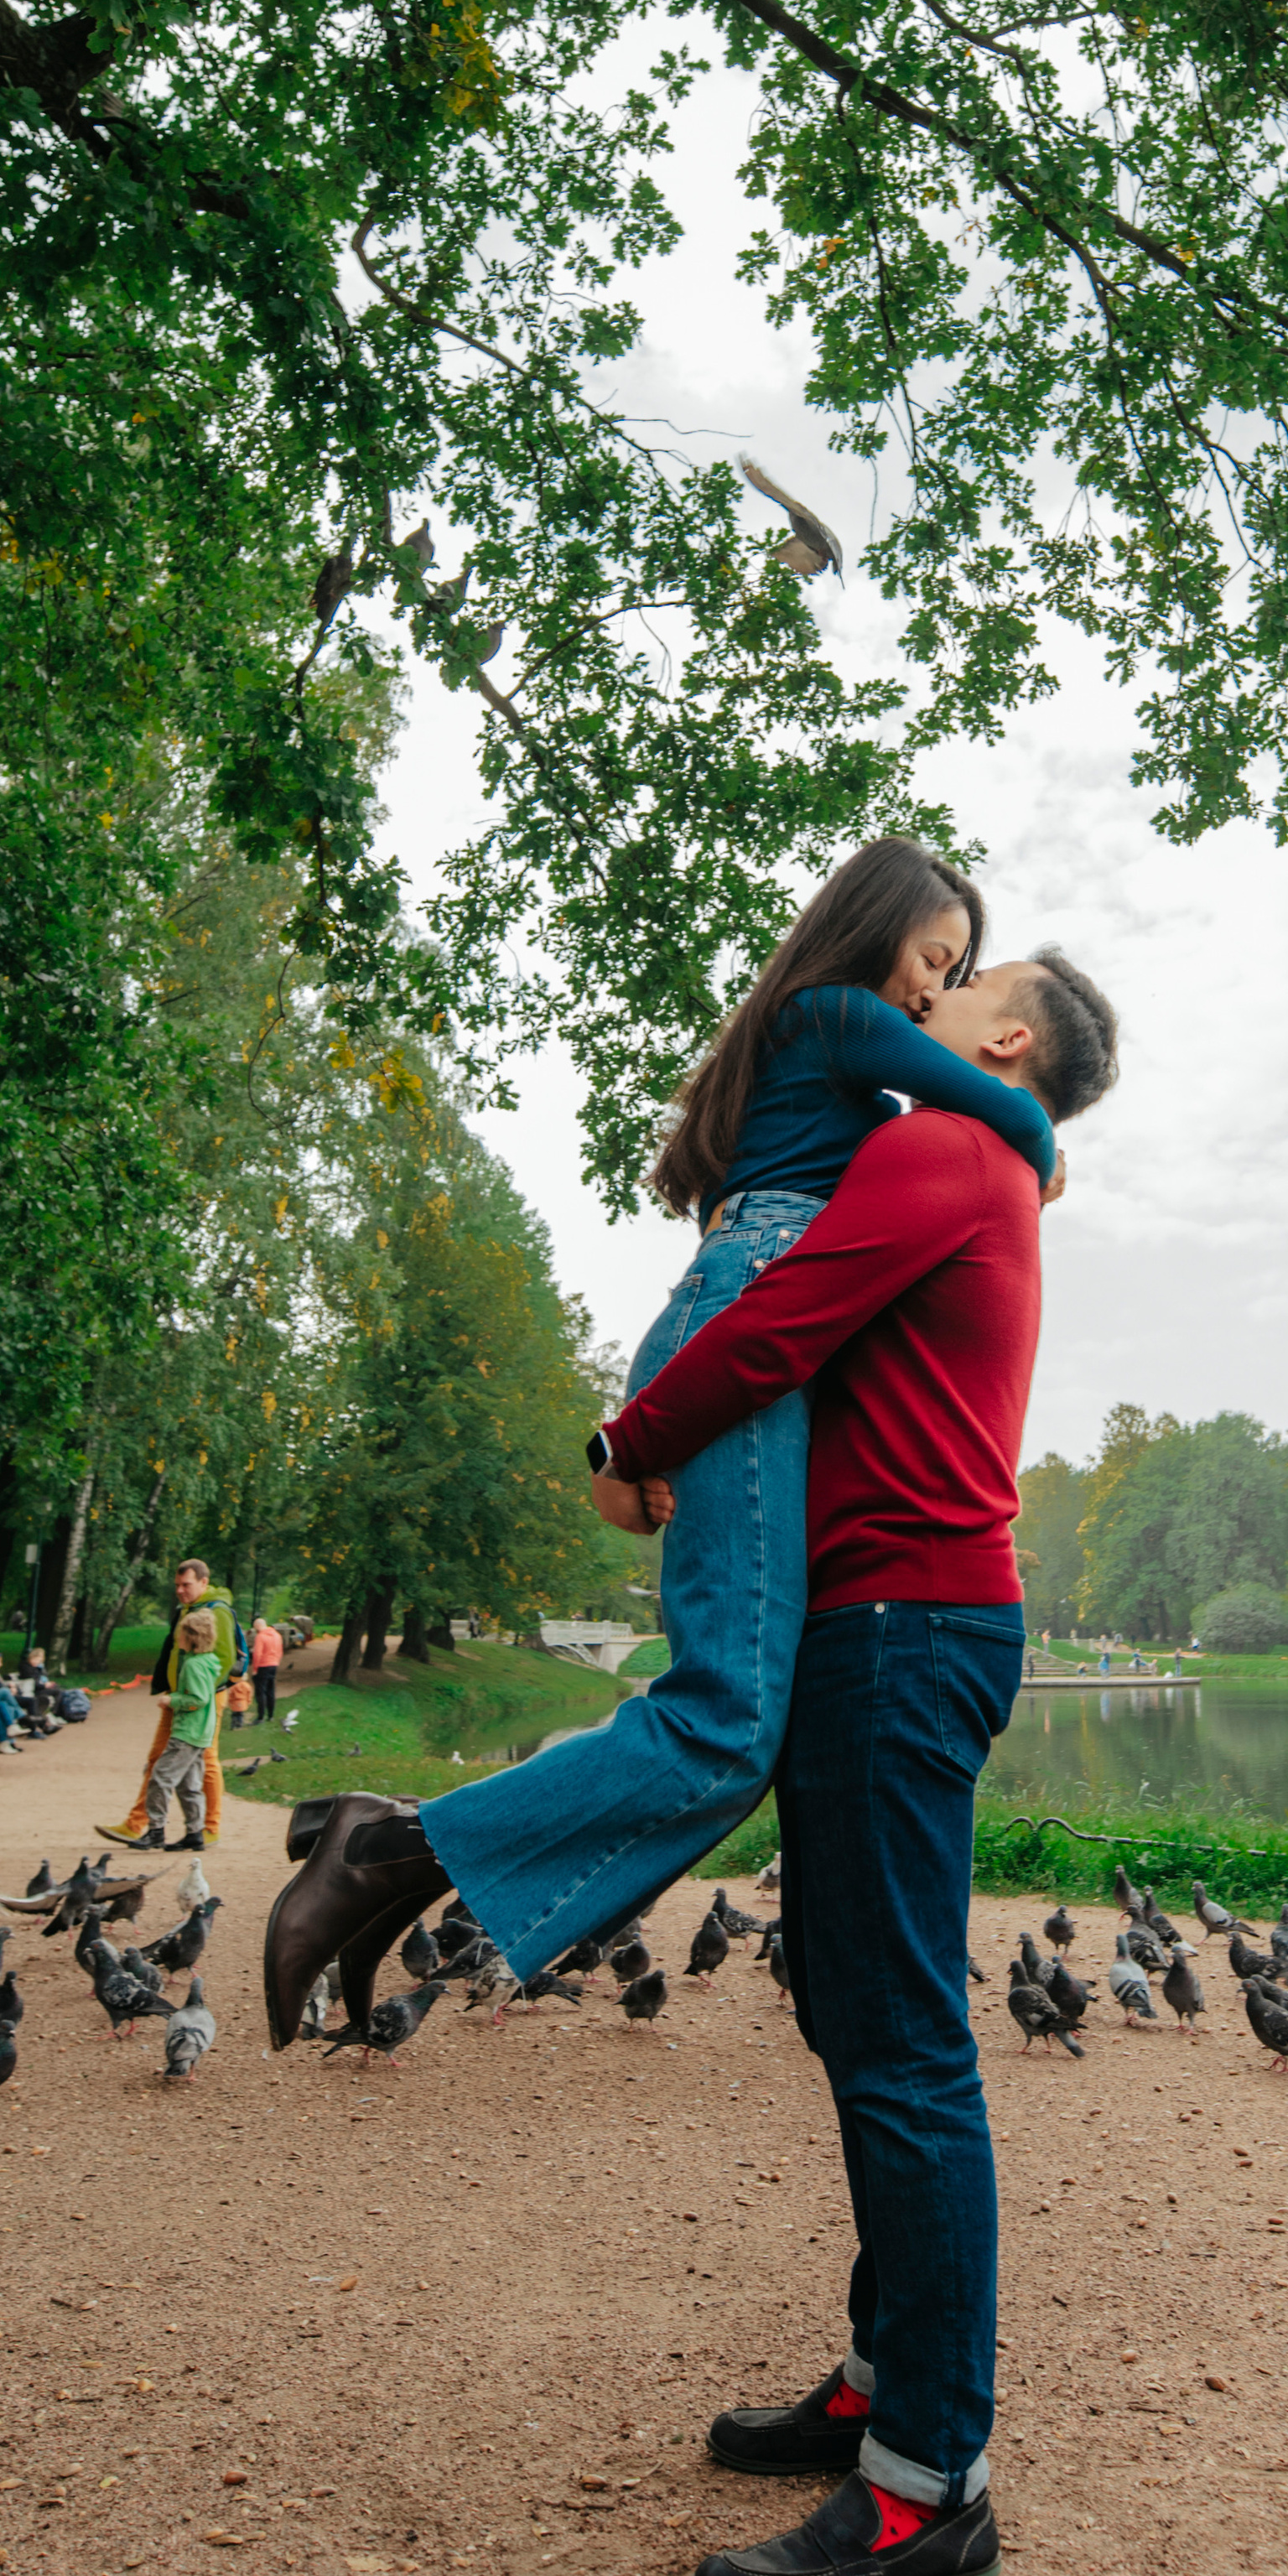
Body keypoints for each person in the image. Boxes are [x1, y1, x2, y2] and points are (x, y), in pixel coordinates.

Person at [269, 938, 1115, 2576]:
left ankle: (926, 2498)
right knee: (863, 2024)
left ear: (1003, 1035)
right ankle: (886, 2385)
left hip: (897, 1630)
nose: (924, 1005)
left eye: (960, 988)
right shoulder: (958, 1149)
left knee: (901, 2053)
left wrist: (625, 1445)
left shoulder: (943, 1146)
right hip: (880, 1626)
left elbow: (777, 1320)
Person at [261, 836, 1059, 2044]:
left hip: (738, 1300)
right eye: (934, 959)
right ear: (874, 924)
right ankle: (388, 1850)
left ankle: (395, 1860)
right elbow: (1001, 1109)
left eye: (959, 974)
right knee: (726, 1722)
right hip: (748, 1314)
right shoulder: (838, 1014)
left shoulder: (798, 1048)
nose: (933, 991)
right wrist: (1041, 1150)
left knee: (743, 1727)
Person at [100, 1561, 238, 1847]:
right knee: (158, 1759)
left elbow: (224, 1659)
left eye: (186, 1585)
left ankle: (206, 1828)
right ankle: (138, 1824)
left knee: (205, 1762)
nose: (179, 1590)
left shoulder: (217, 1611)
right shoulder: (187, 1609)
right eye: (177, 1585)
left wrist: (195, 1695)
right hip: (180, 1697)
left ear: (203, 1582)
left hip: (198, 1701)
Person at [142, 1609, 219, 1849]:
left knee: (160, 1778)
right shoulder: (207, 1661)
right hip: (200, 1733)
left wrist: (172, 1700)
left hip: (187, 1732)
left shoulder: (194, 1666)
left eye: (181, 1634)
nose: (178, 1638)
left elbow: (199, 1698)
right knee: (189, 1785)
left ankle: (156, 1830)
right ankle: (195, 1833)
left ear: (192, 1636)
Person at [248, 1609, 285, 1725]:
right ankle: (271, 1715)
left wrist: (255, 1669)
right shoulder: (277, 1635)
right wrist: (276, 1661)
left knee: (261, 1692)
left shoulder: (260, 1636)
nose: (255, 1630)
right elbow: (280, 1651)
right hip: (274, 1665)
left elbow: (257, 1654)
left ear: (258, 1626)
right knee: (271, 1690)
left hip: (263, 1665)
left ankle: (260, 1717)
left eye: (255, 1628)